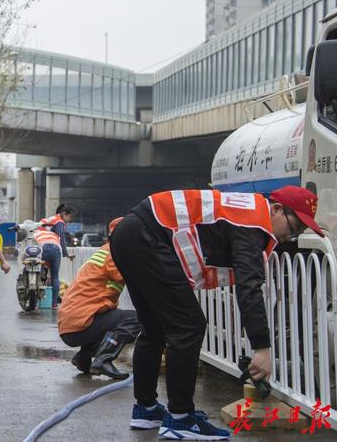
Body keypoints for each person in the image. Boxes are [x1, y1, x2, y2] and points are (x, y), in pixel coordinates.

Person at [110, 186, 324, 439]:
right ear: (276, 209)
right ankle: (180, 419)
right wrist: (262, 348)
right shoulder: (251, 224)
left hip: (131, 233)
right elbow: (249, 289)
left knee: (154, 329)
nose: (291, 236)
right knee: (189, 327)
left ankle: (145, 411)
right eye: (294, 226)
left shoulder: (244, 212)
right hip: (147, 236)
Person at [58, 217, 141, 380]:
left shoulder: (106, 251)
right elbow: (135, 276)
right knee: (136, 319)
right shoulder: (115, 253)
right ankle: (104, 360)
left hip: (72, 325)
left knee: (113, 319)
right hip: (79, 324)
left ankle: (83, 359)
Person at [36, 204, 76, 308]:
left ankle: (37, 301)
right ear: (64, 214)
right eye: (69, 217)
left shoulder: (50, 219)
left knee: (40, 274)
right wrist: (65, 253)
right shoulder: (59, 222)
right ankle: (54, 304)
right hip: (54, 248)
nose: (69, 220)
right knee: (55, 276)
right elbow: (61, 238)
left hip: (41, 246)